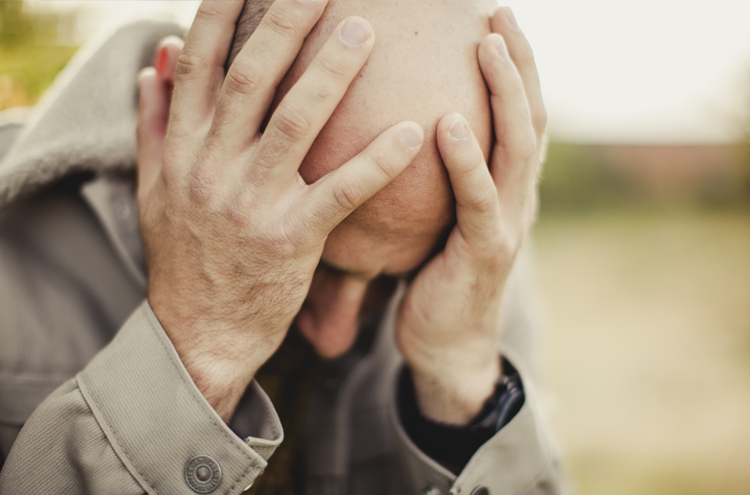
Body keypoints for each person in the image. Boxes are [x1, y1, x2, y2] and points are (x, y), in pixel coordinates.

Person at [0, 0, 559, 492]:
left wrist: (462, 389)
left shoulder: (470, 263)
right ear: (178, 106)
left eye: (394, 279)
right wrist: (201, 348)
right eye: (315, 262)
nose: (337, 336)